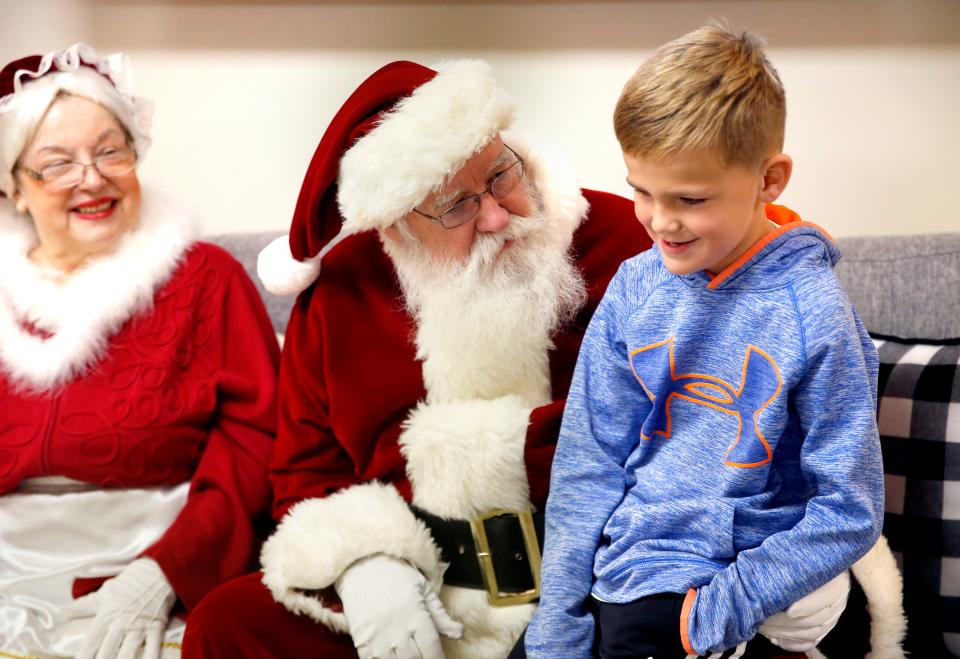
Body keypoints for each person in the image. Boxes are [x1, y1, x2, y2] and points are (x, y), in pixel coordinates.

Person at [183, 59, 859, 659]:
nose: (501, 216)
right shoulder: (339, 296)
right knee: (227, 623)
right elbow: (304, 472)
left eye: (502, 174)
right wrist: (364, 564)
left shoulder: (632, 239)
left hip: (607, 570)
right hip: (433, 585)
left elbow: (738, 404)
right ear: (393, 224)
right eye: (455, 206)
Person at [523, 25, 906, 659]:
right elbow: (589, 462)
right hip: (632, 566)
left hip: (735, 584)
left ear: (770, 179)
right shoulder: (635, 286)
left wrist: (719, 611)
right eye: (640, 191)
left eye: (691, 199)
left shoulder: (815, 313)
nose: (659, 220)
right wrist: (557, 623)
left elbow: (851, 506)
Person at [0, 44, 279, 659]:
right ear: (16, 189)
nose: (92, 179)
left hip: (156, 561)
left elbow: (256, 443)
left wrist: (167, 572)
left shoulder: (205, 278)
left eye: (109, 152)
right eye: (57, 164)